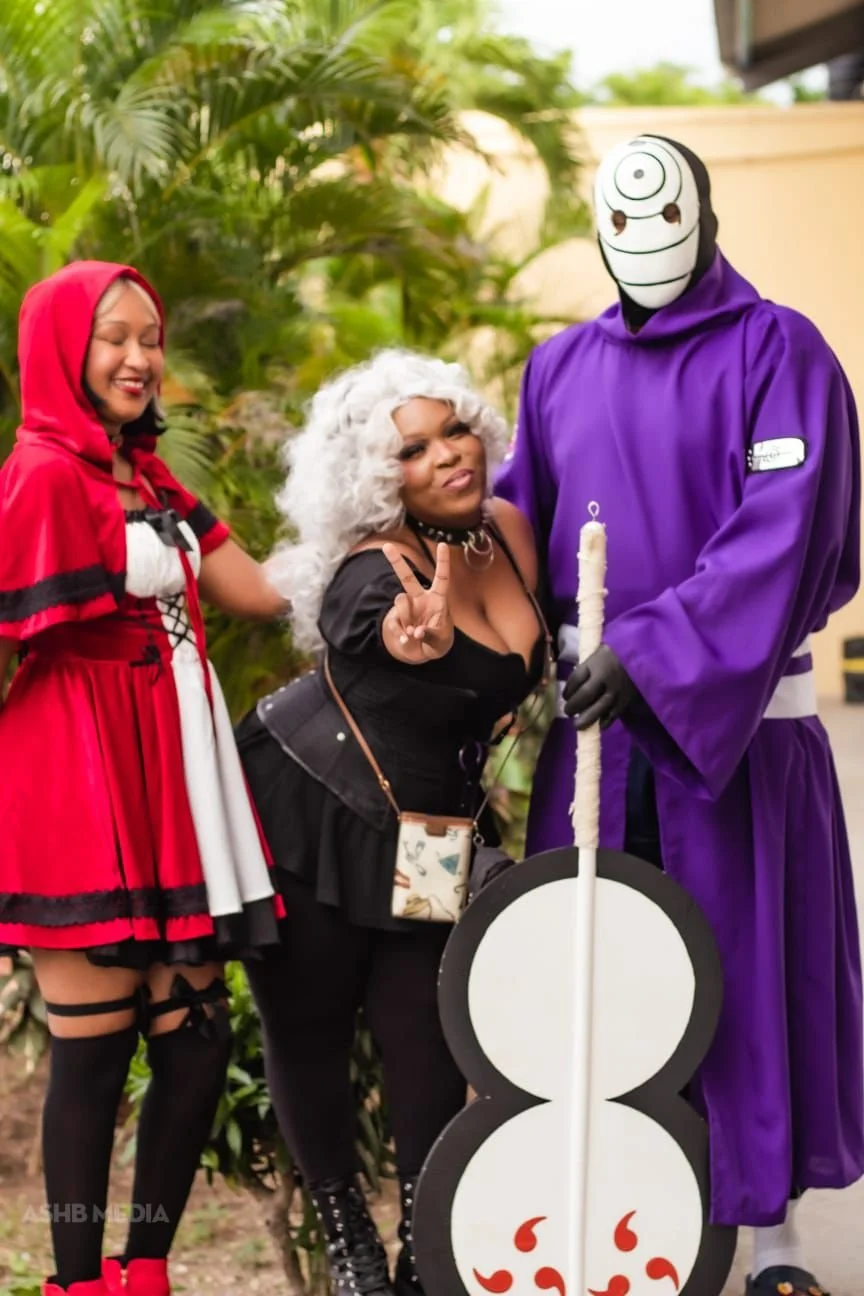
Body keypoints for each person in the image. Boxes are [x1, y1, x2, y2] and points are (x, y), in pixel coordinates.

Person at [496, 133, 863, 1296]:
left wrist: (651, 654)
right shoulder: (554, 369)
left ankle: (778, 1247)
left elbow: (785, 526)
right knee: (600, 979)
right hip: (596, 739)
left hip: (740, 734)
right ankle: (615, 1233)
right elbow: (518, 523)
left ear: (705, 215)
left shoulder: (780, 351)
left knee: (750, 979)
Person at [0, 261, 289, 1296]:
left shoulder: (151, 477)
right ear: (63, 352)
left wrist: (372, 544)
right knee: (91, 1050)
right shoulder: (40, 474)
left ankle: (145, 1270)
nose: (137, 357)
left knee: (197, 1038)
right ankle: (78, 1281)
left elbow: (255, 591)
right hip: (78, 773)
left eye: (149, 337)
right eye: (113, 337)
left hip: (177, 770)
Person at [235, 349, 550, 1296]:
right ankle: (348, 1239)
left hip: (429, 838)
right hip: (313, 808)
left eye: (454, 428)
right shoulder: (377, 570)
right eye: (414, 449)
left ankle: (421, 1248)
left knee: (426, 1044)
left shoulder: (506, 529)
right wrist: (419, 634)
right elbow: (364, 621)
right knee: (310, 1030)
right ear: (380, 479)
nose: (449, 453)